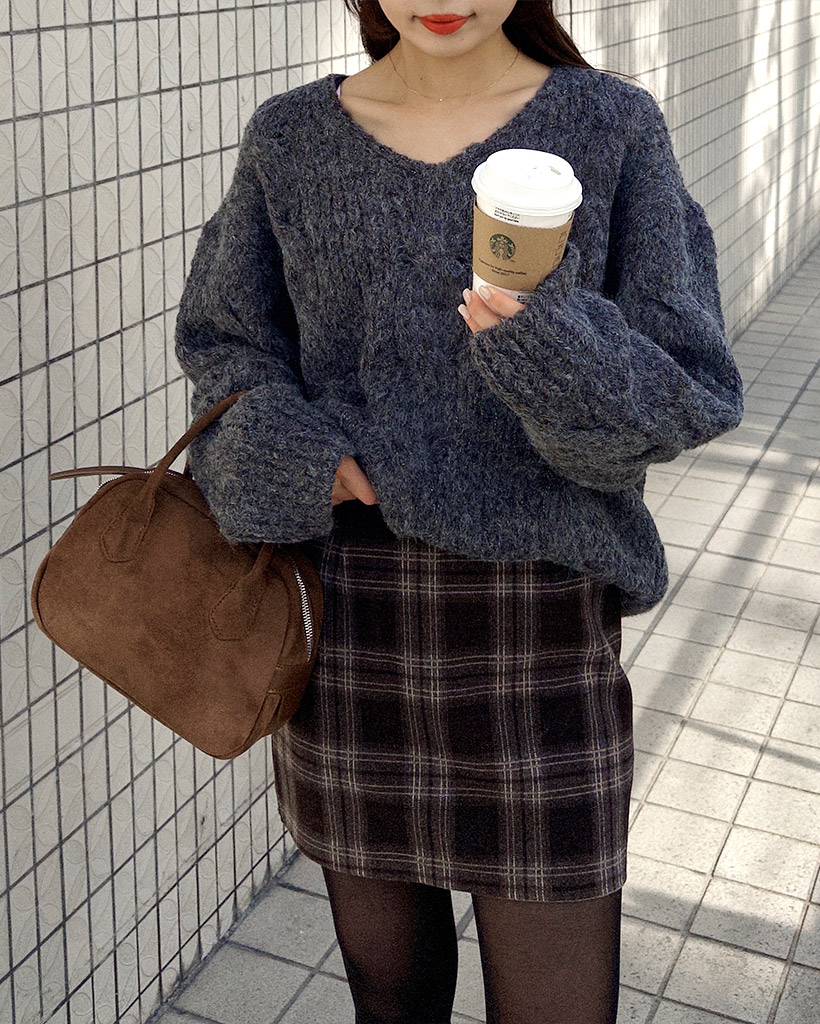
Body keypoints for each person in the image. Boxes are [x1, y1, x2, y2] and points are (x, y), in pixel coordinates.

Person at [173, 2, 744, 1021]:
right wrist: (301, 457)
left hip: (541, 628)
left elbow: (689, 378)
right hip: (348, 624)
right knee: (389, 998)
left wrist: (545, 346)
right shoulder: (292, 138)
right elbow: (226, 344)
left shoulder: (610, 127)